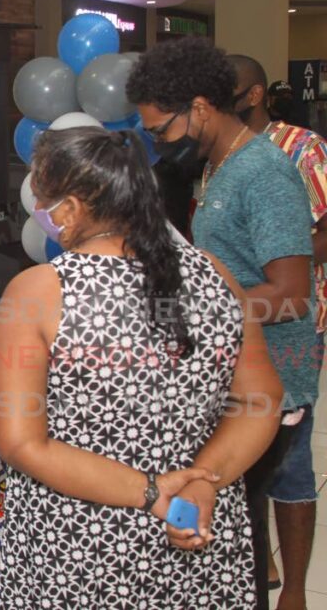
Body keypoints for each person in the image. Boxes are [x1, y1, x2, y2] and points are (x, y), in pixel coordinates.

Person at [0, 126, 282, 608]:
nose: (38, 212)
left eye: (41, 199)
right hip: (201, 518)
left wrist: (152, 494)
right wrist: (199, 480)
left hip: (86, 543)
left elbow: (24, 442)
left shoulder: (38, 291)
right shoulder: (213, 271)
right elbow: (260, 400)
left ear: (72, 210)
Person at [127, 37, 319, 610]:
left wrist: (200, 311)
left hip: (271, 382)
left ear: (202, 107)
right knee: (236, 526)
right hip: (234, 374)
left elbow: (289, 295)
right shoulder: (221, 168)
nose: (160, 143)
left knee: (245, 534)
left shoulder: (261, 171)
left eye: (162, 129)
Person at [229, 53, 326, 606]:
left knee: (290, 459)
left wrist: (280, 257)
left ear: (256, 94)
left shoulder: (301, 149)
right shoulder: (221, 155)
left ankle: (295, 589)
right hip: (242, 322)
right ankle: (258, 557)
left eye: (232, 90)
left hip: (291, 320)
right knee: (248, 447)